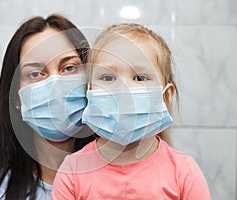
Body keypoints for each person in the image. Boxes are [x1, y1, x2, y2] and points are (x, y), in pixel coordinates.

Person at [51, 23, 211, 199]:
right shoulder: (72, 172)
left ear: (166, 96)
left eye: (140, 77)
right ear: (89, 92)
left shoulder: (184, 173)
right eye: (108, 77)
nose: (123, 88)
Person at [0, 14, 94, 200]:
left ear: (91, 80)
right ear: (16, 98)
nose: (55, 84)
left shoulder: (121, 176)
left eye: (69, 68)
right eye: (35, 74)